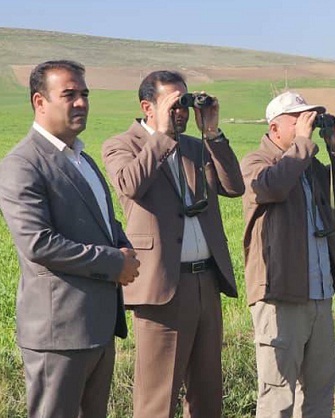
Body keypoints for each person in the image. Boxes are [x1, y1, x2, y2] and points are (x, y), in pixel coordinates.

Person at [0, 60, 140, 418]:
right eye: (69, 95)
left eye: (84, 94)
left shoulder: (83, 160)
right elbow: (38, 243)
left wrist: (124, 247)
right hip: (59, 334)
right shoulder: (23, 164)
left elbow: (105, 223)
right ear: (39, 102)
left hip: (97, 328)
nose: (80, 102)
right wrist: (114, 263)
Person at [101, 70, 244, 418]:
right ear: (147, 106)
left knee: (208, 392)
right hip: (162, 284)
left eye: (185, 101)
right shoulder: (122, 145)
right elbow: (130, 185)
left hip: (206, 281)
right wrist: (163, 135)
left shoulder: (196, 147)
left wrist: (211, 132)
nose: (181, 110)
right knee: (158, 397)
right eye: (173, 103)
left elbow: (234, 186)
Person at [241, 91, 335, 417]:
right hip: (280, 295)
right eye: (299, 119)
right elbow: (273, 187)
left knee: (320, 390)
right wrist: (304, 145)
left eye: (310, 118)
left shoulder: (310, 167)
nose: (307, 124)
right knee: (278, 394)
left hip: (319, 293)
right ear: (275, 127)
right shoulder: (257, 163)